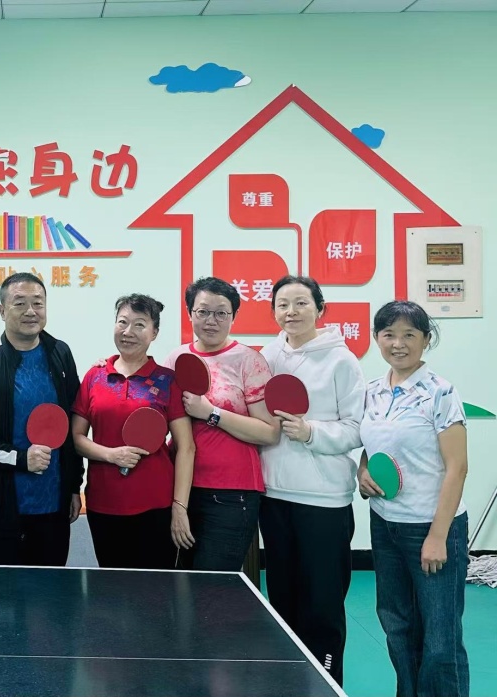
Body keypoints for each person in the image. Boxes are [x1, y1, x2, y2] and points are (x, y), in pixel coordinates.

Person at [358, 301, 469, 697]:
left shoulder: (440, 392)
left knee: (440, 638)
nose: (398, 343)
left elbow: (457, 467)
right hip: (385, 525)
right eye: (389, 334)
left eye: (409, 335)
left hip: (432, 526)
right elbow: (373, 446)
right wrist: (362, 471)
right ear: (377, 338)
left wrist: (438, 536)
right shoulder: (372, 392)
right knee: (398, 626)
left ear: (426, 339)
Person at [259, 276, 365, 686]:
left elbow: (356, 428)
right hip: (274, 496)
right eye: (283, 304)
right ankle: (287, 684)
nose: (291, 312)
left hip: (324, 501)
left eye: (301, 303)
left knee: (322, 605)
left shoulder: (342, 361)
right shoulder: (267, 357)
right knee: (282, 601)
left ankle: (327, 683)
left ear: (320, 309)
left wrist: (311, 432)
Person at [0, 272, 82, 566]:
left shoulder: (60, 353)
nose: (30, 311)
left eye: (38, 303)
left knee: (50, 590)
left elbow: (73, 422)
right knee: (2, 593)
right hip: (2, 509)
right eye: (19, 303)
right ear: (2, 311)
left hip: (53, 507)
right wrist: (19, 458)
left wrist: (74, 486)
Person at [71, 294, 195, 569]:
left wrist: (179, 507)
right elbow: (76, 438)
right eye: (122, 322)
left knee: (155, 588)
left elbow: (186, 447)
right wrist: (111, 455)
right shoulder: (94, 376)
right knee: (111, 586)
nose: (128, 332)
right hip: (103, 503)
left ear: (154, 333)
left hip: (156, 504)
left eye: (139, 324)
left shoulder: (167, 380)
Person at [164, 276, 280, 571]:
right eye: (203, 311)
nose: (211, 321)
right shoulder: (176, 358)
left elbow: (269, 432)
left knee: (214, 585)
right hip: (181, 488)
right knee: (181, 581)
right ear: (190, 312)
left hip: (232, 493)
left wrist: (211, 413)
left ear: (233, 316)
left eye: (221, 313)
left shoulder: (249, 361)